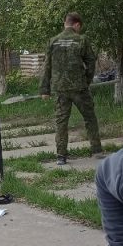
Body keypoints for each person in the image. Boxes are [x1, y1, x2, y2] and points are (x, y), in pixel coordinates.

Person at [39, 12, 102, 165]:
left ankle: (61, 156)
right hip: (80, 88)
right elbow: (91, 62)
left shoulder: (53, 41)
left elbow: (46, 66)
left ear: (65, 23)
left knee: (61, 122)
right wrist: (86, 80)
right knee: (90, 118)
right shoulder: (82, 40)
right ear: (77, 25)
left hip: (60, 89)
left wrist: (44, 89)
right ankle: (96, 151)